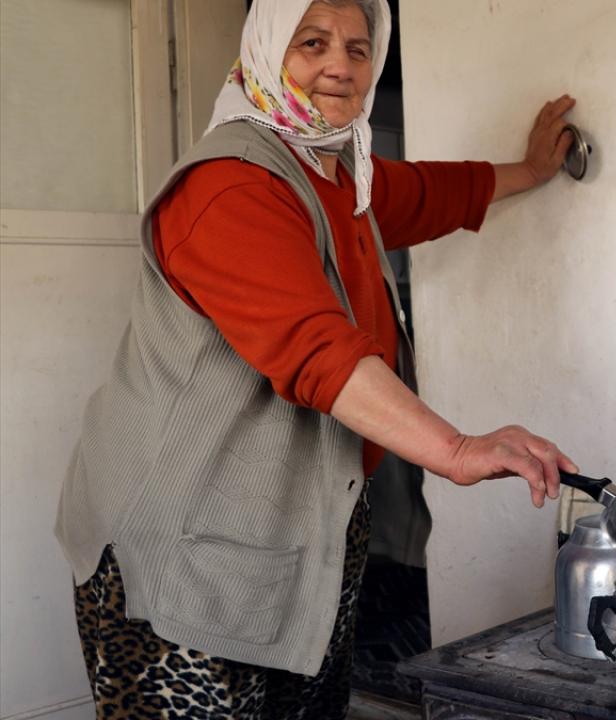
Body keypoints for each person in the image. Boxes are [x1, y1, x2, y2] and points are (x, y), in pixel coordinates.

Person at [54, 0, 578, 716]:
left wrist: (530, 169)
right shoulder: (230, 185)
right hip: (184, 543)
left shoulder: (336, 172)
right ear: (268, 51)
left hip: (294, 527)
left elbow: (427, 193)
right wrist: (454, 450)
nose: (341, 65)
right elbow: (316, 349)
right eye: (313, 42)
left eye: (359, 49)